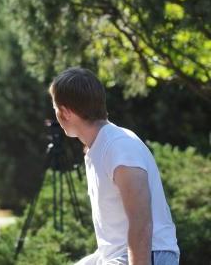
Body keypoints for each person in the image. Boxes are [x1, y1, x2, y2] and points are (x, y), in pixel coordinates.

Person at [49, 67, 179, 265]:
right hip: (116, 256)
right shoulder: (98, 147)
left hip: (150, 255)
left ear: (65, 112)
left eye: (55, 109)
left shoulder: (120, 146)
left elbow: (141, 223)